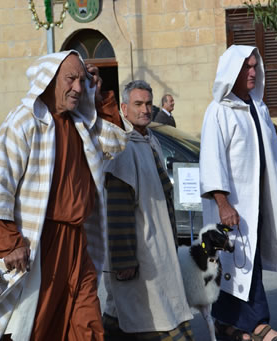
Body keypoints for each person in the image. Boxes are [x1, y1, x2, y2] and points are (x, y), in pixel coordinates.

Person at [0, 50, 132, 341]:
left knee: (86, 318)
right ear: (49, 81)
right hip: (40, 244)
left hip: (78, 242)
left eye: (81, 80)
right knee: (39, 323)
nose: (76, 87)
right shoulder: (24, 120)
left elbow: (117, 142)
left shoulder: (81, 123)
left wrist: (97, 95)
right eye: (70, 79)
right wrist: (8, 242)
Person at [199, 45, 277, 341]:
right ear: (233, 72)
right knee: (235, 265)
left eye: (255, 66)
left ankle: (229, 325)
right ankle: (257, 324)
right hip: (234, 206)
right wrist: (223, 204)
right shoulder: (218, 111)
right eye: (246, 67)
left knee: (247, 266)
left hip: (257, 204)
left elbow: (273, 154)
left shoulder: (259, 107)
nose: (253, 72)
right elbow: (211, 159)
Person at [102, 80, 194, 340]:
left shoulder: (149, 140)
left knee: (146, 311)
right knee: (143, 316)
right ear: (124, 107)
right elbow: (118, 210)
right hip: (140, 252)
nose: (144, 109)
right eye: (138, 104)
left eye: (148, 104)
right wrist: (124, 259)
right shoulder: (122, 147)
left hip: (158, 247)